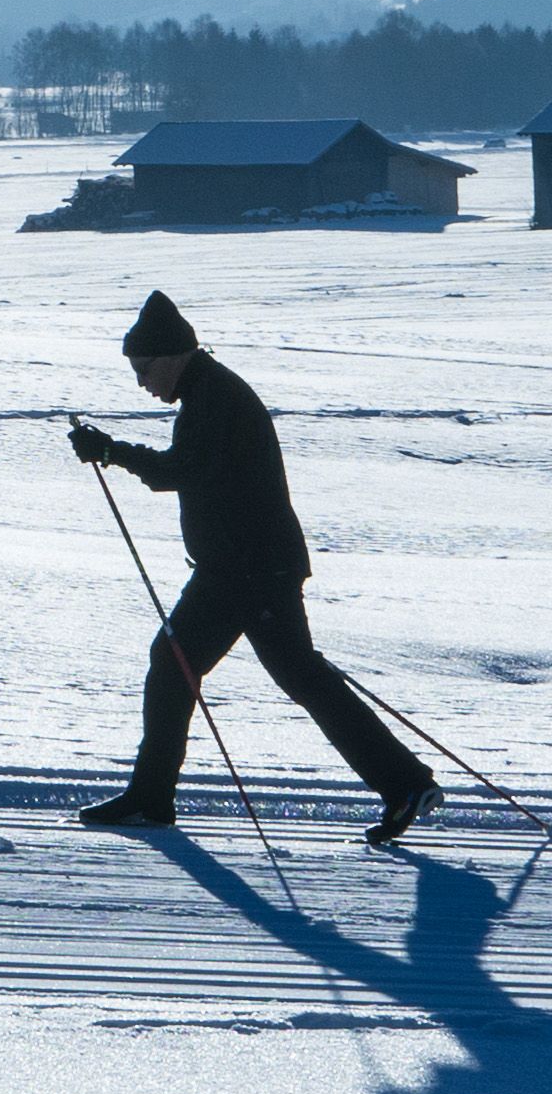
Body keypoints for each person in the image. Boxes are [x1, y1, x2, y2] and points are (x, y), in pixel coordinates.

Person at [65, 285, 436, 844]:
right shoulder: (209, 393)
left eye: (144, 368)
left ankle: (153, 798)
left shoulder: (215, 399)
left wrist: (112, 452)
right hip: (240, 568)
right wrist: (115, 452)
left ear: (172, 357)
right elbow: (189, 471)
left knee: (255, 671)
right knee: (211, 665)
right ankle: (403, 782)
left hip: (249, 572)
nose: (141, 381)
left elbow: (179, 471)